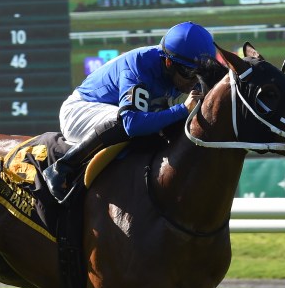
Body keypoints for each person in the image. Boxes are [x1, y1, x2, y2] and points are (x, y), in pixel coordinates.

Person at [43, 21, 219, 202]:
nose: (195, 81)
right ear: (168, 62)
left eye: (200, 73)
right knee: (127, 121)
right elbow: (132, 124)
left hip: (112, 113)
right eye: (189, 73)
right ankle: (62, 168)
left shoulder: (178, 67)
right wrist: (182, 109)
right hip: (80, 111)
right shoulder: (139, 66)